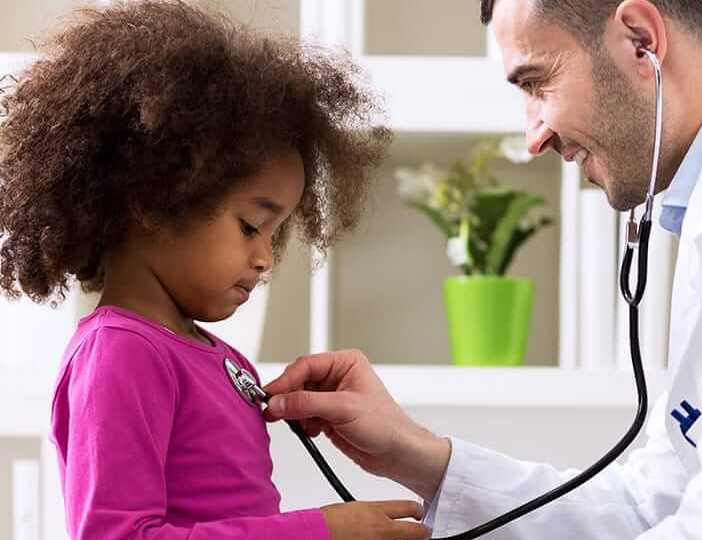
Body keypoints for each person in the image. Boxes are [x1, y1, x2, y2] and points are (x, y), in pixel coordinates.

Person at [262, 0, 702, 538]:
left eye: (538, 84)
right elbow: (648, 505)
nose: (534, 137)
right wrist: (417, 454)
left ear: (642, 41)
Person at [0, 2, 431, 539]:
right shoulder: (120, 353)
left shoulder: (218, 358)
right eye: (251, 226)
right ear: (155, 201)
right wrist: (320, 532)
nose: (266, 259)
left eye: (275, 234)